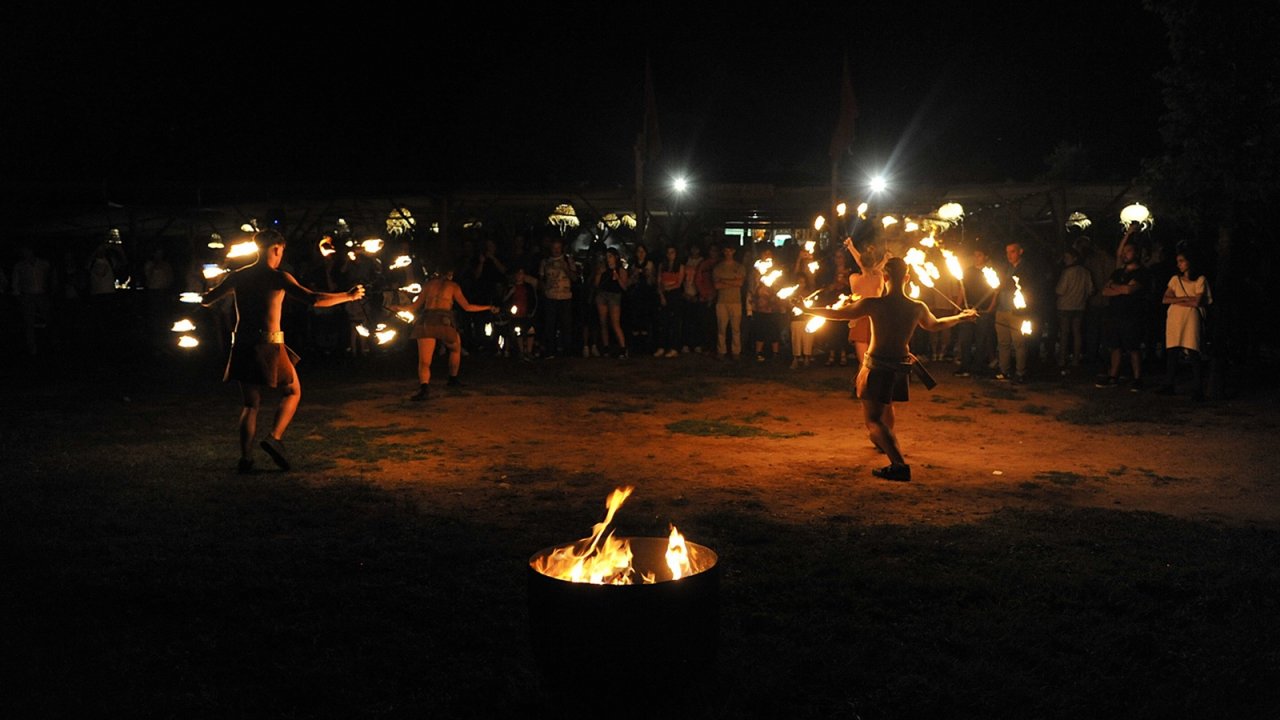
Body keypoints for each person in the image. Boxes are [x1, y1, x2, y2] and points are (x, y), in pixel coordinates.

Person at [201, 229, 366, 474]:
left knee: (250, 404)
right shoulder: (277, 277)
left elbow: (207, 299)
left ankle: (245, 459)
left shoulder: (238, 276)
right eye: (281, 251)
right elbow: (314, 299)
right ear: (276, 248)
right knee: (292, 391)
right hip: (269, 343)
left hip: (243, 345)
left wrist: (212, 283)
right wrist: (349, 296)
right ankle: (274, 437)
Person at [799, 257, 977, 482]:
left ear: (884, 277)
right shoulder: (917, 306)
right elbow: (936, 325)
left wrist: (807, 310)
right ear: (907, 278)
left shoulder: (875, 304)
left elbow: (839, 314)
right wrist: (962, 317)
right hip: (900, 365)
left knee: (873, 420)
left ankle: (898, 463)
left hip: (878, 365)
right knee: (887, 406)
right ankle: (886, 441)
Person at [392, 266, 498, 400]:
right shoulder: (453, 286)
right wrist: (488, 307)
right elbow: (467, 307)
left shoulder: (428, 285)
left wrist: (398, 308)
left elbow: (414, 307)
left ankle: (424, 387)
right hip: (444, 321)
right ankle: (452, 379)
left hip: (427, 321)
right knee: (455, 349)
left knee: (424, 361)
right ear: (450, 274)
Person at [1096, 224, 1151, 390]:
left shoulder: (1141, 273)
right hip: (1115, 315)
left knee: (1133, 347)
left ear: (1136, 254)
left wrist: (1119, 289)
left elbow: (1129, 289)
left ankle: (1137, 378)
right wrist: (1127, 234)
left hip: (1131, 316)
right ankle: (1113, 376)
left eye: (1129, 251)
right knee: (1115, 346)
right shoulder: (1118, 272)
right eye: (1124, 251)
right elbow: (1105, 290)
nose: (1125, 254)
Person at [1155, 248, 1212, 399]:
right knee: (1172, 351)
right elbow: (1165, 299)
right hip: (1175, 318)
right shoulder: (1175, 279)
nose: (1179, 264)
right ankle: (1169, 383)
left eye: (1182, 261)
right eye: (1178, 261)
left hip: (1191, 318)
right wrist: (1186, 300)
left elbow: (1197, 301)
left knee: (1193, 350)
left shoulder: (1200, 280)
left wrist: (1178, 300)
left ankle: (1198, 388)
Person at [994, 240, 1033, 383]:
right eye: (1007, 252)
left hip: (1016, 312)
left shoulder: (1027, 268)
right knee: (1003, 343)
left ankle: (1020, 372)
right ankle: (1004, 371)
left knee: (1019, 343)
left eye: (1012, 251)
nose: (1009, 255)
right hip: (1002, 309)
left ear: (1020, 251)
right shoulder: (1005, 268)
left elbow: (1026, 287)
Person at [1054, 246, 1094, 372]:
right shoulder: (1085, 272)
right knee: (1077, 333)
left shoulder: (1067, 272)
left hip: (1065, 306)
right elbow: (1091, 290)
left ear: (1074, 258)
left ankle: (1062, 359)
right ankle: (1076, 359)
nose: (1065, 260)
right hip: (1079, 306)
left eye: (1067, 257)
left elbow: (1060, 290)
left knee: (1065, 333)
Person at [537, 237, 577, 359]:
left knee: (566, 325)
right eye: (554, 248)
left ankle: (567, 350)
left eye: (558, 248)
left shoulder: (568, 260)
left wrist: (566, 268)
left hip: (565, 297)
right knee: (550, 325)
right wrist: (544, 289)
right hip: (551, 296)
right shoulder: (545, 262)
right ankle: (551, 350)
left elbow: (575, 278)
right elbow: (541, 279)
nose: (556, 250)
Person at [592, 246, 629, 358]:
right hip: (602, 295)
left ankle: (623, 348)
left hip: (614, 296)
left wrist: (617, 278)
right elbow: (596, 285)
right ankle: (606, 347)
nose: (608, 259)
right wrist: (599, 274)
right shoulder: (603, 269)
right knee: (603, 322)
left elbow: (624, 287)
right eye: (607, 257)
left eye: (610, 256)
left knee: (615, 323)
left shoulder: (621, 270)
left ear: (616, 257)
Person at [712, 242, 746, 360]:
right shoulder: (718, 267)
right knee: (721, 328)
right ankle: (721, 350)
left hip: (736, 301)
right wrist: (732, 281)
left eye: (730, 251)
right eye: (726, 251)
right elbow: (716, 285)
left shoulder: (739, 267)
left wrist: (724, 281)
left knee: (736, 328)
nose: (728, 253)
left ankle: (736, 351)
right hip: (722, 301)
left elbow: (740, 283)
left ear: (734, 252)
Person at [655, 243, 685, 357]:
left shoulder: (680, 266)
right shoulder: (662, 265)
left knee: (674, 322)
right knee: (663, 322)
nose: (670, 255)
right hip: (664, 295)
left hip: (675, 296)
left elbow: (679, 283)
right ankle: (662, 346)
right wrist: (662, 294)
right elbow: (658, 281)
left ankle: (674, 347)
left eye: (672, 252)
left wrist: (668, 287)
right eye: (668, 252)